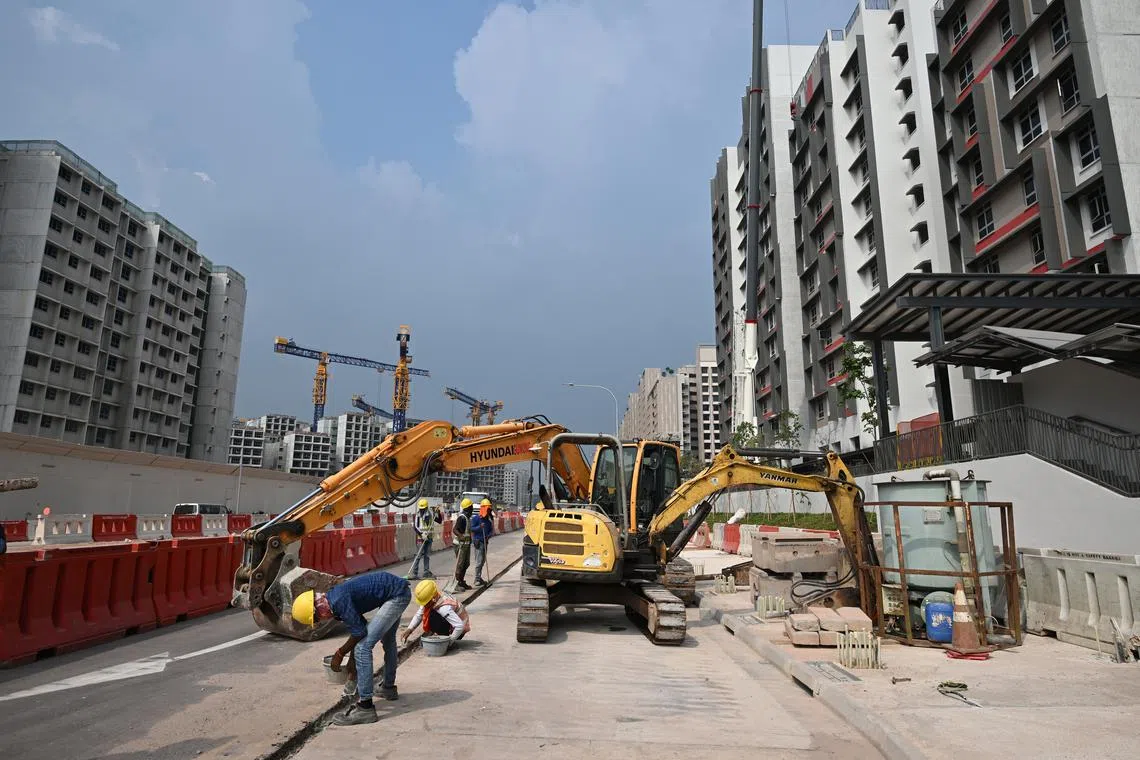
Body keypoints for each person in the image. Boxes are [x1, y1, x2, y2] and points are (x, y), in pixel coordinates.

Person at [291, 570, 412, 726]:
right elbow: (359, 628)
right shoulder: (333, 599)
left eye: (318, 618)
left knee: (363, 648)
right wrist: (352, 666)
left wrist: (340, 653)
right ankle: (388, 688)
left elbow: (360, 634)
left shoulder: (338, 602)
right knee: (387, 641)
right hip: (395, 591)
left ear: (317, 608)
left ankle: (365, 708)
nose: (322, 620)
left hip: (397, 595)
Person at [400, 579, 470, 646]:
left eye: (425, 603)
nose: (423, 605)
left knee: (432, 617)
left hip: (458, 632)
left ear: (432, 599)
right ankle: (443, 635)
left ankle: (444, 638)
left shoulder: (444, 608)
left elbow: (460, 626)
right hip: (454, 624)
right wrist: (410, 629)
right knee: (429, 613)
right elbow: (419, 614)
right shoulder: (435, 596)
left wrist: (449, 642)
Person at [408, 498, 438, 579]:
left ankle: (426, 572)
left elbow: (438, 520)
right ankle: (414, 573)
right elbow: (415, 526)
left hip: (429, 537)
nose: (421, 510)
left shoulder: (431, 513)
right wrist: (421, 534)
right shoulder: (417, 515)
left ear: (426, 507)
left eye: (423, 508)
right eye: (420, 509)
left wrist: (437, 512)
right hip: (421, 538)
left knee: (427, 556)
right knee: (418, 555)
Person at [470, 498, 495, 586]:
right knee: (479, 561)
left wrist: (488, 536)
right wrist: (479, 527)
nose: (488, 511)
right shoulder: (476, 518)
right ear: (483, 508)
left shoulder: (488, 520)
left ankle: (479, 577)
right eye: (487, 509)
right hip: (478, 542)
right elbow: (472, 529)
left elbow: (491, 531)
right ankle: (476, 578)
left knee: (483, 561)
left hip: (485, 542)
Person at [452, 498, 474, 591]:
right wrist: (460, 536)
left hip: (466, 545)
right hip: (460, 545)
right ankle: (457, 583)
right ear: (468, 508)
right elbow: (455, 529)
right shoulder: (462, 518)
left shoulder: (468, 518)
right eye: (471, 507)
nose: (472, 508)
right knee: (460, 564)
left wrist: (470, 539)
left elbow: (467, 532)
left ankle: (461, 581)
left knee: (466, 563)